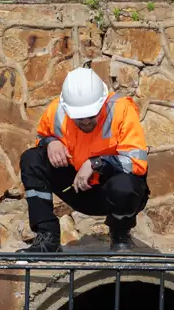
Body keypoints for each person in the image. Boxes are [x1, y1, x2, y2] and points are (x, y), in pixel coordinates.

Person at [17, 68, 149, 253]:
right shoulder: (57, 110)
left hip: (112, 192)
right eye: (79, 118)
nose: (86, 122)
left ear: (102, 103)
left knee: (125, 184)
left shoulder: (121, 109)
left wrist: (96, 164)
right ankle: (47, 237)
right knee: (31, 159)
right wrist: (50, 142)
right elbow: (41, 137)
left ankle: (120, 237)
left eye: (91, 115)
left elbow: (136, 162)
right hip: (76, 187)